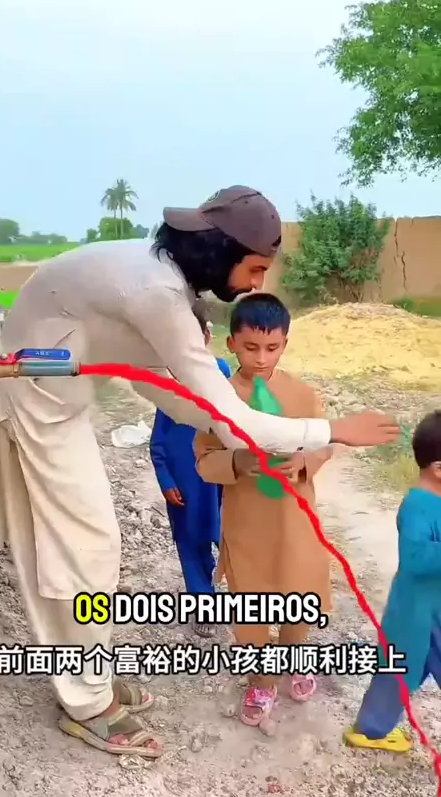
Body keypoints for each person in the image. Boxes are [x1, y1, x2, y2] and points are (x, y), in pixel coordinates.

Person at [0, 185, 399, 758]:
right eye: (255, 268)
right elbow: (228, 420)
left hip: (60, 401)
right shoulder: (156, 294)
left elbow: (167, 390)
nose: (257, 284)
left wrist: (237, 422)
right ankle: (87, 703)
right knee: (86, 551)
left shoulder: (163, 281)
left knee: (89, 551)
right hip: (32, 404)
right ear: (222, 251)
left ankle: (88, 678)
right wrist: (332, 430)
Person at [193, 293, 334, 727]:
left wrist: (305, 461)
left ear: (284, 344)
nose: (261, 357)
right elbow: (204, 460)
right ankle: (261, 680)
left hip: (296, 520)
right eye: (251, 347)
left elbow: (326, 443)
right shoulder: (219, 401)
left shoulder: (302, 395)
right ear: (231, 343)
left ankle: (294, 658)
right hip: (247, 524)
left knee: (299, 593)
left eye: (271, 348)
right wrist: (236, 462)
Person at [344, 410, 441, 753]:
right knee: (396, 673)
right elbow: (415, 559)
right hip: (414, 614)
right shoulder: (417, 507)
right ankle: (370, 731)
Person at [149, 304, 230, 638]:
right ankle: (204, 603)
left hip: (221, 476)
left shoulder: (222, 373)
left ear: (207, 337)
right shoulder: (168, 383)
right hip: (184, 479)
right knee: (190, 541)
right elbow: (158, 439)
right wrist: (165, 478)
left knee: (228, 536)